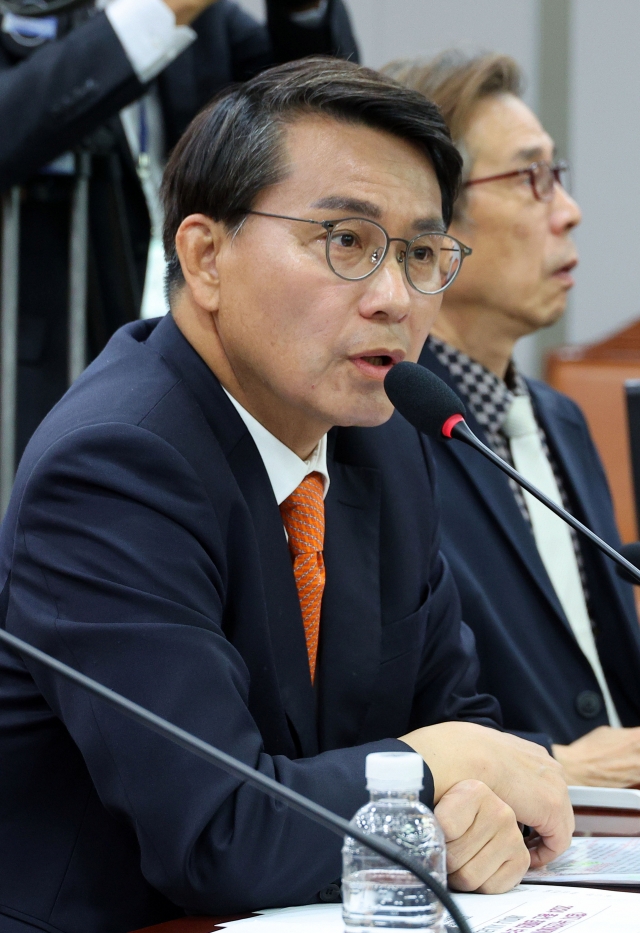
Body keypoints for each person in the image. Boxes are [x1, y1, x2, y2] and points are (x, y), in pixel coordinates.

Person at [0, 57, 572, 933]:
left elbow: (467, 724)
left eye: (421, 253)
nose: (393, 298)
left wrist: (473, 807)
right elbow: (217, 829)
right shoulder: (115, 465)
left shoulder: (382, 444)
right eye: (346, 241)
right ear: (205, 256)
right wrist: (432, 769)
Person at [384, 51, 640, 786]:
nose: (569, 210)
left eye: (558, 175)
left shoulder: (560, 420)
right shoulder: (378, 435)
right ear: (433, 227)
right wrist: (559, 766)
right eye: (532, 179)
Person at [0, 0, 358, 460]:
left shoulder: (212, 22)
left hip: (189, 341)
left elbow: (322, 111)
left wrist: (303, 10)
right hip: (44, 361)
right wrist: (162, 11)